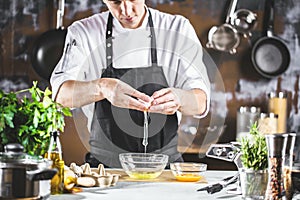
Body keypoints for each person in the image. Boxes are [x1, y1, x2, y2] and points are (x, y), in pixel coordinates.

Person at [50, 0, 210, 168]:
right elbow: (61, 96)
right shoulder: (83, 32)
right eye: (116, 2)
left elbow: (200, 103)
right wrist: (102, 87)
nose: (126, 10)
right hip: (106, 168)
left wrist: (181, 98)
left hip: (165, 167)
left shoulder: (177, 28)